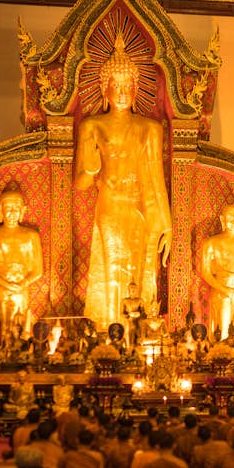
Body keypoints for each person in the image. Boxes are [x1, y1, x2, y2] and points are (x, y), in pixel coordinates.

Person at [74, 34, 172, 330]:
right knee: (113, 268)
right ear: (105, 89)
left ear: (135, 89)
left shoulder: (150, 128)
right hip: (111, 206)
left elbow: (156, 178)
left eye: (127, 86)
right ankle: (110, 330)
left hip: (140, 208)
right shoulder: (92, 126)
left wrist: (166, 223)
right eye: (116, 86)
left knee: (140, 269)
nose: (121, 92)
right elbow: (80, 183)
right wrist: (91, 168)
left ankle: (138, 331)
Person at [0, 189, 43, 340]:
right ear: (0, 210)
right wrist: (6, 284)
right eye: (8, 208)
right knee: (3, 326)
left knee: (21, 326)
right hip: (1, 288)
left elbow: (38, 270)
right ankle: (1, 353)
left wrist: (23, 282)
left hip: (22, 288)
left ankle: (21, 351)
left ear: (23, 210)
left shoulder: (31, 235)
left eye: (16, 208)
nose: (12, 212)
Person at [197, 204, 234, 341]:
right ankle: (219, 354)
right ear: (222, 219)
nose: (233, 220)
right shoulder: (210, 243)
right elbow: (205, 272)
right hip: (219, 290)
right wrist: (224, 289)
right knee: (221, 329)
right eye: (230, 217)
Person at [121, 282, 145, 348]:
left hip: (138, 320)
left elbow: (143, 313)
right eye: (131, 289)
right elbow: (121, 313)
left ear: (137, 290)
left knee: (140, 328)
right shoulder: (125, 300)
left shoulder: (140, 300)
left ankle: (138, 346)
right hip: (129, 320)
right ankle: (129, 347)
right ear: (128, 290)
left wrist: (139, 314)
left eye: (134, 289)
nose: (133, 291)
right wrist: (129, 315)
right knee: (129, 328)